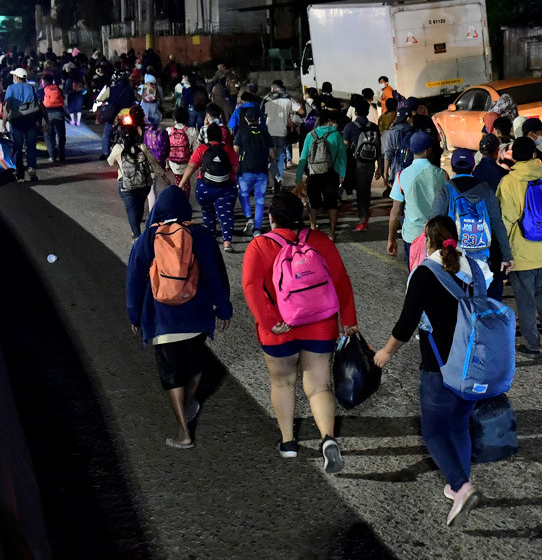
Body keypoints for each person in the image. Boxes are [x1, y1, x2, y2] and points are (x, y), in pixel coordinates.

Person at [374, 216, 486, 526]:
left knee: (434, 431)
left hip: (439, 367)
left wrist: (385, 353)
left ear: (428, 239)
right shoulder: (475, 268)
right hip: (473, 364)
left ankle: (462, 487)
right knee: (460, 423)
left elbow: (407, 323)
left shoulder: (425, 273)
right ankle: (457, 482)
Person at [241, 191, 358, 472]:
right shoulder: (320, 241)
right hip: (320, 325)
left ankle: (289, 443)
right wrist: (349, 318)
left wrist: (270, 321)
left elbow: (251, 288)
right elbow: (341, 280)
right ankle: (328, 439)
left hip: (280, 328)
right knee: (319, 386)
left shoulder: (259, 246)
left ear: (271, 218)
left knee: (282, 382)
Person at [126, 186, 232, 449]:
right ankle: (191, 400)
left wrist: (134, 315)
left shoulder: (147, 240)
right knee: (195, 366)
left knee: (171, 374)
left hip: (163, 322)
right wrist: (224, 307)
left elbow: (134, 281)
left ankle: (184, 432)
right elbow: (216, 275)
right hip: (195, 318)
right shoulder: (201, 235)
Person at [497, 137, 542, 358]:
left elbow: (505, 221)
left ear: (514, 157)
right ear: (535, 154)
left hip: (522, 252)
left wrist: (505, 253)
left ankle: (532, 345)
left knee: (525, 298)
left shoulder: (509, 182)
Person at [430, 148, 513, 288]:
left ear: (452, 166)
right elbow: (498, 224)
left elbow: (434, 226)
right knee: (480, 297)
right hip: (482, 257)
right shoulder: (485, 190)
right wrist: (506, 256)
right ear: (473, 167)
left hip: (453, 255)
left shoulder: (445, 190)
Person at [178, 124, 239, 252]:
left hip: (204, 188)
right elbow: (236, 169)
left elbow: (191, 167)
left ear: (207, 136)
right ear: (221, 136)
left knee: (207, 212)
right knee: (226, 214)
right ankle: (227, 242)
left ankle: (211, 238)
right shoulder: (228, 149)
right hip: (226, 188)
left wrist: (182, 183)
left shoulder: (202, 149)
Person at [387, 131, 447, 262]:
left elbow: (395, 212)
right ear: (429, 150)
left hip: (412, 235)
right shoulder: (442, 175)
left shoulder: (401, 176)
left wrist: (391, 238)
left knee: (415, 276)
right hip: (437, 234)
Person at [108, 125, 174, 239]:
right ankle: (138, 231)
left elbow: (110, 162)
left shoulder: (118, 148)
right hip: (143, 185)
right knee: (139, 207)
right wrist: (165, 178)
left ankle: (137, 235)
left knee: (131, 209)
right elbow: (153, 164)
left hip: (126, 185)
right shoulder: (142, 147)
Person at [296, 111, 347, 239]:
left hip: (314, 174)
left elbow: (303, 157)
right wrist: (342, 174)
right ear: (329, 121)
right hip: (331, 174)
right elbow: (342, 157)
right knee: (332, 204)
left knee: (313, 204)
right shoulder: (336, 135)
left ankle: (313, 230)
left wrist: (298, 178)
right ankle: (332, 233)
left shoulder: (310, 135)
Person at [235, 107, 274, 238]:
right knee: (260, 200)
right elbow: (272, 155)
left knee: (243, 193)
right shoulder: (265, 133)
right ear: (259, 119)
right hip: (262, 171)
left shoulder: (242, 132)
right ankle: (257, 229)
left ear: (246, 119)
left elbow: (236, 151)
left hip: (245, 170)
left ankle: (248, 217)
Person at [344, 100, 383, 232]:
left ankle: (362, 217)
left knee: (360, 190)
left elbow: (345, 146)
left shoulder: (349, 127)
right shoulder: (374, 127)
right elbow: (378, 147)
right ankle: (365, 211)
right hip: (370, 162)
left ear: (355, 112)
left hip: (357, 162)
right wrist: (379, 168)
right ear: (367, 112)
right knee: (366, 187)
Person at [261, 80, 303, 193]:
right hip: (282, 132)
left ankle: (274, 178)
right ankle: (278, 181)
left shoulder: (266, 99)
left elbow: (261, 115)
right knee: (280, 157)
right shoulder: (288, 98)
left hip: (269, 132)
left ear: (273, 88)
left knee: (269, 157)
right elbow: (302, 111)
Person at [4, 67, 42, 181]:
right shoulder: (31, 87)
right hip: (30, 120)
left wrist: (4, 122)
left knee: (17, 147)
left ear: (16, 77)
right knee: (31, 146)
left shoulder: (11, 88)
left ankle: (20, 173)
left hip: (16, 122)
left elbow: (7, 106)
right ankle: (32, 168)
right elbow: (39, 103)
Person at [166, 107, 198, 195]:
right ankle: (185, 203)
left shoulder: (169, 131)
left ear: (175, 118)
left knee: (178, 182)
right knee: (186, 183)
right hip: (186, 163)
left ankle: (178, 201)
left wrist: (166, 164)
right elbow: (195, 149)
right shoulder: (191, 131)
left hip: (173, 163)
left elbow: (165, 148)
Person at [384, 107, 415, 189]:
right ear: (408, 119)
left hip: (396, 171)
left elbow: (388, 153)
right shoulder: (414, 132)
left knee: (398, 198)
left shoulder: (393, 132)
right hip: (411, 171)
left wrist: (385, 172)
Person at [39, 73, 67, 163]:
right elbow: (63, 99)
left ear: (43, 81)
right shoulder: (58, 89)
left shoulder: (42, 90)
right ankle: (62, 154)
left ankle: (52, 156)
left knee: (48, 136)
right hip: (59, 113)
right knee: (61, 135)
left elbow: (39, 103)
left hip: (47, 114)